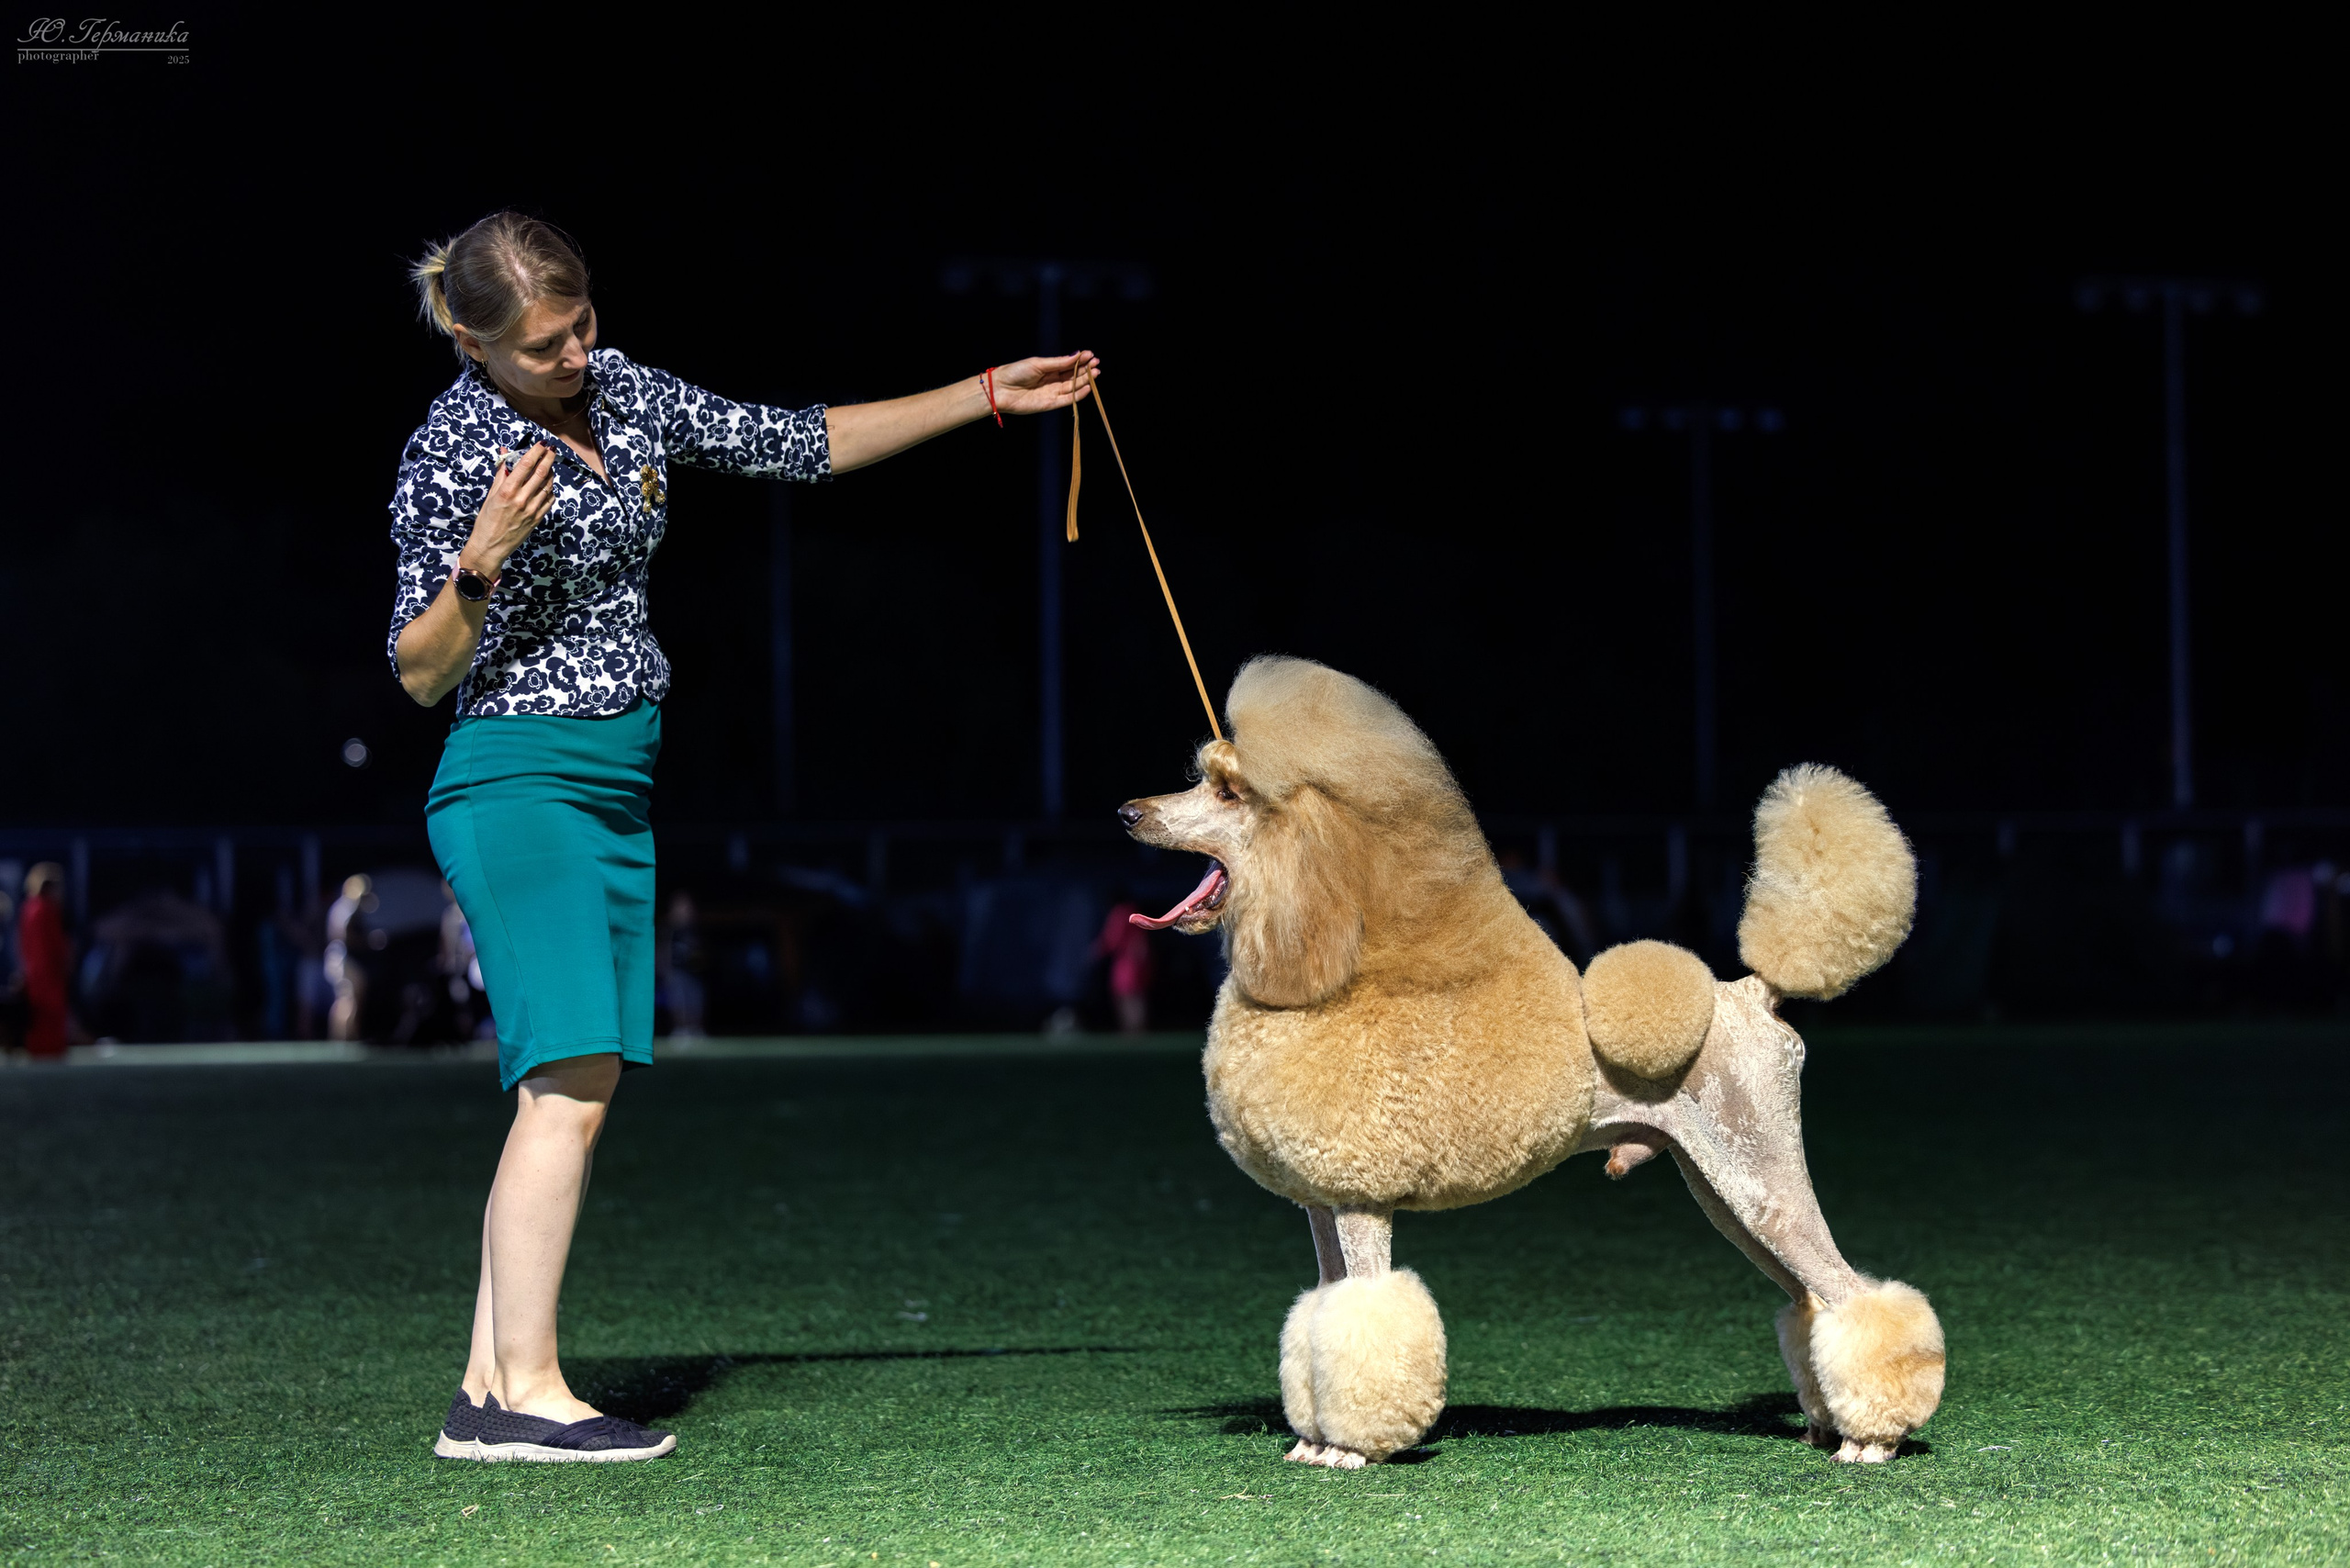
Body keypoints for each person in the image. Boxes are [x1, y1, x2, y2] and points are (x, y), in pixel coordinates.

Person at [389, 211, 1098, 1463]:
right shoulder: (451, 449)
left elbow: (797, 442)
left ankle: (487, 1389)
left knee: (573, 1087)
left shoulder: (621, 391)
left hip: (615, 789)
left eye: (581, 324)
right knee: (567, 1084)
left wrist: (986, 393)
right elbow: (418, 672)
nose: (574, 354)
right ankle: (525, 1395)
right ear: (471, 340)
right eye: (545, 345)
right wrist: (479, 561)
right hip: (517, 784)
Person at [17, 863, 73, 1060]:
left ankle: (41, 1050)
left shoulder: (28, 908)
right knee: (49, 1017)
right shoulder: (46, 910)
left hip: (34, 975)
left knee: (39, 1018)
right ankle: (48, 1050)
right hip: (48, 975)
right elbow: (56, 946)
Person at [1092, 893, 1155, 1035]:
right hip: (1139, 963)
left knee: (1127, 997)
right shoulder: (1135, 912)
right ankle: (1138, 1029)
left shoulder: (1121, 913)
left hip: (1126, 964)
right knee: (1136, 996)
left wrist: (1095, 952)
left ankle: (1132, 1029)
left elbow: (1112, 939)